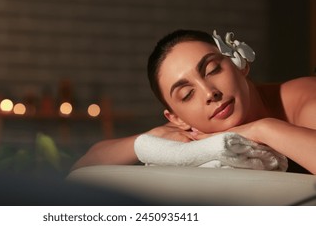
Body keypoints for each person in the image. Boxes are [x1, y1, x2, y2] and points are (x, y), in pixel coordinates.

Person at [72, 29, 316, 174]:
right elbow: (83, 167)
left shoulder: (305, 103)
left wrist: (263, 129)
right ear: (176, 118)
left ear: (240, 64)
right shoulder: (196, 132)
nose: (209, 93)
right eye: (187, 95)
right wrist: (149, 138)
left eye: (212, 70)